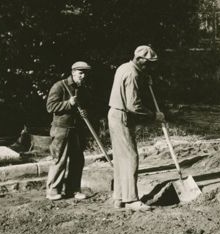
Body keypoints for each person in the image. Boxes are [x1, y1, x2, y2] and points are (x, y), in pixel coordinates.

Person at [107, 45, 164, 211]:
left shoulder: (124, 67)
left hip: (114, 113)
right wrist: (154, 115)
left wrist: (145, 78)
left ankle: (119, 197)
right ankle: (131, 200)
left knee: (120, 159)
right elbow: (134, 106)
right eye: (147, 63)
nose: (149, 67)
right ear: (139, 59)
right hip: (123, 116)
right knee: (131, 157)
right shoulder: (132, 74)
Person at [44, 61, 94, 201]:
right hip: (61, 129)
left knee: (77, 160)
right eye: (80, 73)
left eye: (85, 73)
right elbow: (50, 106)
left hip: (76, 130)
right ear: (73, 72)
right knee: (59, 159)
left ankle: (73, 190)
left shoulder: (83, 89)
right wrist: (68, 103)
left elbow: (88, 104)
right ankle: (53, 190)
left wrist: (85, 111)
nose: (83, 76)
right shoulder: (60, 86)